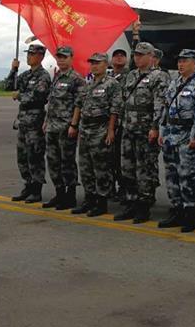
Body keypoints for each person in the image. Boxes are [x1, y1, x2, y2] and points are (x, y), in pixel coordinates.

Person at [156, 49, 195, 232]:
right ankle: (176, 210)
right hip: (171, 135)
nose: (180, 64)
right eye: (179, 61)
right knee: (171, 176)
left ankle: (189, 214)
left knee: (187, 176)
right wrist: (162, 131)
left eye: (185, 61)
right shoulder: (174, 83)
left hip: (187, 137)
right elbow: (166, 108)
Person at [115, 43, 169, 224]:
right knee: (127, 169)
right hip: (128, 129)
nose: (137, 58)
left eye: (141, 55)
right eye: (136, 55)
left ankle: (144, 206)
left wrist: (155, 127)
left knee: (144, 169)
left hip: (145, 131)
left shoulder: (158, 77)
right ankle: (130, 203)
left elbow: (160, 105)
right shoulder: (131, 76)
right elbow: (124, 101)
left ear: (151, 56)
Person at [68, 52, 122, 217]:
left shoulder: (112, 84)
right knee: (86, 168)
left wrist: (111, 130)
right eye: (92, 63)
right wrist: (74, 125)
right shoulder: (88, 84)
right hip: (85, 130)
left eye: (98, 63)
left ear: (106, 65)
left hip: (101, 129)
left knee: (101, 168)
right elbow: (79, 105)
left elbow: (115, 109)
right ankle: (89, 200)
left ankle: (101, 202)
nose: (94, 65)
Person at [5, 43, 51, 203]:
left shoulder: (43, 76)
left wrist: (19, 96)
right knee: (22, 156)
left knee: (35, 155)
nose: (29, 56)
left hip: (35, 121)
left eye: (32, 54)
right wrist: (14, 70)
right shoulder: (25, 75)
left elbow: (38, 96)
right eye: (28, 53)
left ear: (40, 56)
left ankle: (36, 189)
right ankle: (28, 185)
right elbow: (8, 86)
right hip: (23, 121)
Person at [42, 46, 84, 210]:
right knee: (53, 161)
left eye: (64, 57)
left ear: (71, 59)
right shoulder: (57, 77)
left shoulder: (76, 78)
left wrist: (74, 124)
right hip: (52, 126)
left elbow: (78, 105)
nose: (61, 60)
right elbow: (52, 102)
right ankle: (59, 193)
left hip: (66, 127)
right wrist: (46, 121)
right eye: (59, 57)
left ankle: (70, 195)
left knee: (67, 162)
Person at [109, 48, 130, 200]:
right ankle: (110, 187)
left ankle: (123, 188)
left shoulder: (130, 75)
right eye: (116, 55)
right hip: (108, 122)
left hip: (123, 122)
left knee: (121, 158)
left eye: (122, 55)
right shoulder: (108, 77)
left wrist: (135, 36)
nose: (119, 58)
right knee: (109, 158)